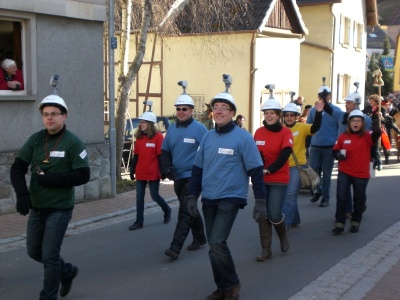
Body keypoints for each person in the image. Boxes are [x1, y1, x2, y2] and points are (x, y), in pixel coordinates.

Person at [186, 75, 266, 300]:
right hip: (209, 197)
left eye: (224, 108)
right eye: (216, 108)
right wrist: (192, 196)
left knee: (218, 242)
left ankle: (232, 285)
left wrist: (260, 200)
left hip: (231, 197)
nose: (219, 111)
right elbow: (197, 169)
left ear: (232, 113)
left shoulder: (243, 138)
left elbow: (256, 171)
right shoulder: (208, 137)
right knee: (213, 246)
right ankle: (222, 287)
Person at [10, 94, 90, 299]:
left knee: (50, 256)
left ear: (64, 116)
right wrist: (22, 194)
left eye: (54, 114)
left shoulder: (73, 143)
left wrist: (52, 179)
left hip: (60, 208)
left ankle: (48, 296)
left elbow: (83, 174)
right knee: (34, 252)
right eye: (46, 115)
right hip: (37, 206)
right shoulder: (36, 139)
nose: (49, 118)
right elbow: (18, 167)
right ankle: (67, 272)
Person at [161, 83, 207, 260]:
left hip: (193, 178)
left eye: (185, 109)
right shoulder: (171, 129)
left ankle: (175, 247)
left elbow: (208, 152)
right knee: (190, 208)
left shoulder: (200, 129)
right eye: (179, 109)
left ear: (191, 111)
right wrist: (167, 169)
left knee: (184, 211)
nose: (181, 111)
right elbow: (164, 152)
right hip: (178, 177)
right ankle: (200, 237)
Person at [253, 96, 293, 261]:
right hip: (261, 179)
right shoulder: (258, 132)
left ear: (278, 115)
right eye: (266, 113)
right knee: (263, 215)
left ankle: (282, 235)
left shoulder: (285, 132)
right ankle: (266, 249)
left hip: (278, 178)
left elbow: (286, 153)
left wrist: (270, 169)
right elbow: (253, 153)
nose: (269, 116)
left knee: (274, 214)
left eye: (272, 113)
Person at [331, 110, 381, 234]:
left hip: (361, 174)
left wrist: (377, 130)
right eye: (354, 120)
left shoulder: (368, 136)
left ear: (362, 123)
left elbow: (375, 136)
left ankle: (355, 221)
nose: (356, 123)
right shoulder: (343, 136)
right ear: (349, 123)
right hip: (345, 172)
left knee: (358, 200)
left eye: (359, 121)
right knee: (341, 197)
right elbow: (335, 150)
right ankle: (339, 223)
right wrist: (338, 155)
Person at [281, 101, 323, 230]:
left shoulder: (302, 127)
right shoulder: (280, 129)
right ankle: (294, 219)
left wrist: (319, 113)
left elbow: (315, 128)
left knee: (290, 194)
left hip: (297, 167)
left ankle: (285, 223)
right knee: (286, 195)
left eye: (292, 115)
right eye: (286, 115)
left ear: (296, 116)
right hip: (282, 167)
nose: (289, 117)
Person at [128, 111, 171, 230]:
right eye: (140, 122)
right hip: (141, 171)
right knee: (139, 197)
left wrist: (163, 171)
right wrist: (132, 170)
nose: (140, 124)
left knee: (154, 195)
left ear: (150, 124)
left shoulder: (158, 137)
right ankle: (139, 222)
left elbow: (160, 155)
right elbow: (135, 155)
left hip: (153, 171)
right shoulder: (139, 137)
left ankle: (167, 210)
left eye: (143, 122)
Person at [307, 81, 342, 207]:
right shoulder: (313, 110)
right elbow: (308, 127)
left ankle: (325, 198)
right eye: (321, 95)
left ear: (330, 96)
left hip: (329, 146)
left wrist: (339, 144)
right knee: (311, 171)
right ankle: (318, 189)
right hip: (315, 145)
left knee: (327, 173)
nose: (323, 97)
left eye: (326, 95)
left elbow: (341, 128)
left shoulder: (336, 111)